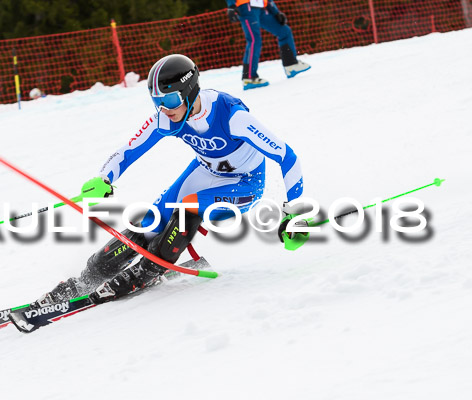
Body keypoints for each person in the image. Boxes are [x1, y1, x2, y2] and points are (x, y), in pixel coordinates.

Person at [34, 54, 307, 307]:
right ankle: (91, 275)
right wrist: (104, 178)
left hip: (245, 183)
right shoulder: (168, 117)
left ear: (189, 91)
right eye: (157, 102)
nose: (164, 109)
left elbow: (287, 156)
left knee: (189, 206)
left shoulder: (233, 116)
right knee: (149, 222)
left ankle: (147, 271)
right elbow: (130, 149)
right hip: (205, 171)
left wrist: (294, 214)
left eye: (170, 100)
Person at [226, 0, 311, 90]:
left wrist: (275, 12)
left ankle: (291, 65)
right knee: (254, 40)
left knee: (284, 31)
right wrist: (231, 5)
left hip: (261, 7)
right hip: (246, 7)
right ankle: (249, 78)